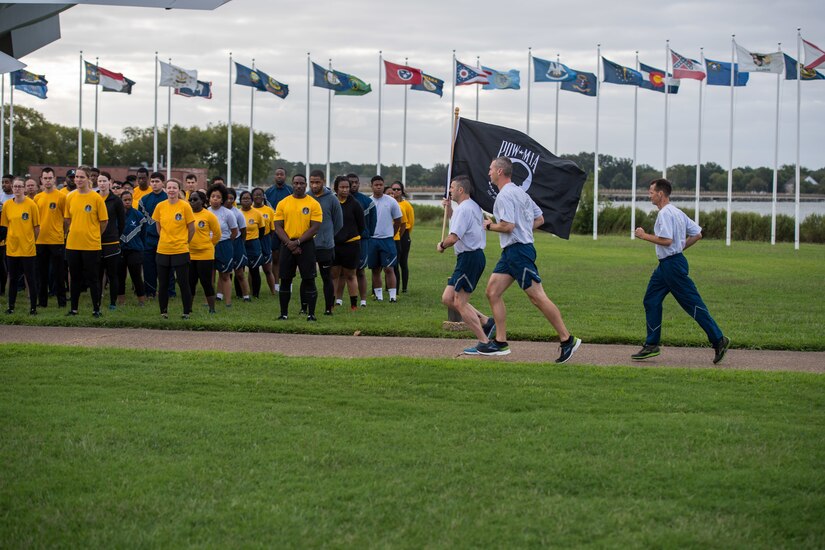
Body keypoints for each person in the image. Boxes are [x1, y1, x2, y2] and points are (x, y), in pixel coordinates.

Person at [481, 156, 581, 362]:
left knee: (537, 297)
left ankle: (567, 339)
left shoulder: (504, 196)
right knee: (492, 292)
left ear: (500, 171)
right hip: (511, 252)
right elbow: (540, 218)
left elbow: (508, 226)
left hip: (519, 252)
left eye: (491, 168)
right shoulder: (521, 193)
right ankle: (500, 342)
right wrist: (524, 228)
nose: (488, 172)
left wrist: (489, 225)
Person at [632, 178, 730, 364]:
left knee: (692, 303)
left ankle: (719, 339)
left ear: (660, 194)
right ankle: (651, 344)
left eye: (651, 192)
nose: (649, 195)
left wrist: (644, 236)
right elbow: (698, 234)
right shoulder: (677, 212)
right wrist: (678, 249)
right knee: (651, 300)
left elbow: (667, 240)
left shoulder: (664, 214)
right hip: (667, 265)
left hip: (672, 266)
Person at [437, 175, 496, 353]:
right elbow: (458, 223)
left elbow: (454, 237)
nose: (450, 191)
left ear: (461, 190)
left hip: (470, 257)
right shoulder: (469, 207)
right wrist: (448, 210)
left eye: (452, 188)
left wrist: (442, 245)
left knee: (460, 303)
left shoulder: (466, 209)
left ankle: (484, 343)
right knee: (448, 298)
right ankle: (486, 322)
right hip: (467, 258)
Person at [273, 173, 322, 321]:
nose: (299, 186)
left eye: (301, 183)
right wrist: (290, 243)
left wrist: (298, 242)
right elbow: (277, 226)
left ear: (306, 185)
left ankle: (311, 314)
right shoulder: (283, 203)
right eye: (296, 183)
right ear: (292, 184)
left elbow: (315, 227)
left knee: (309, 279)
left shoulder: (313, 204)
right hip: (287, 244)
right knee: (285, 280)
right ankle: (283, 314)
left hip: (305, 245)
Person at [64, 166, 108, 317]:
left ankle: (96, 309)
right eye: (77, 177)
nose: (78, 180)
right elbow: (67, 219)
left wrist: (93, 234)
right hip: (73, 244)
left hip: (91, 245)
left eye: (82, 177)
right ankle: (74, 309)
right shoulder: (70, 196)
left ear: (89, 179)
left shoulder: (96, 198)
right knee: (75, 278)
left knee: (92, 278)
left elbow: (103, 222)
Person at [152, 178, 195, 319]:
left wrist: (183, 242)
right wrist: (166, 239)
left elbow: (191, 229)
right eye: (169, 187)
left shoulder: (185, 206)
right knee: (163, 284)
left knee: (183, 283)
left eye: (174, 188)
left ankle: (186, 312)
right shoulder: (160, 206)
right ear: (165, 189)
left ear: (179, 190)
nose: (171, 190)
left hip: (180, 250)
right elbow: (158, 227)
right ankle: (163, 312)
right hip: (163, 250)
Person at [1, 177, 40, 314]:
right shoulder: (7, 205)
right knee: (12, 279)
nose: (17, 189)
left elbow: (36, 228)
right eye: (15, 186)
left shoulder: (31, 205)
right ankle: (10, 307)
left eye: (20, 186)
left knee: (30, 278)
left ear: (24, 188)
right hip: (12, 248)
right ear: (12, 188)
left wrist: (30, 241)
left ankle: (33, 308)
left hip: (28, 248)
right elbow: (5, 226)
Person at [309, 170, 343, 315]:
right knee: (307, 277)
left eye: (317, 182)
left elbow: (339, 223)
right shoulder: (306, 197)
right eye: (312, 182)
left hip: (325, 246)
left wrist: (327, 236)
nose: (314, 185)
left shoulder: (332, 199)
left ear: (323, 181)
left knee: (326, 277)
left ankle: (329, 308)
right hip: (308, 245)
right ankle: (305, 308)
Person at [33, 167, 67, 308]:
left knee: (59, 273)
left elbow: (66, 220)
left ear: (54, 179)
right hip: (40, 240)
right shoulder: (37, 198)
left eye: (50, 178)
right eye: (45, 178)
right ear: (41, 179)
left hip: (56, 240)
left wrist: (62, 233)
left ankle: (62, 302)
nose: (47, 180)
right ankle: (42, 302)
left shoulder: (61, 197)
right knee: (42, 274)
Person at [367, 175, 402, 302]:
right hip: (372, 239)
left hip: (387, 239)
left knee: (389, 268)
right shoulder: (368, 202)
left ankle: (392, 296)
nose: (378, 187)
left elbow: (398, 220)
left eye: (381, 185)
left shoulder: (391, 201)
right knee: (375, 269)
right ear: (371, 186)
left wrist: (392, 233)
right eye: (376, 185)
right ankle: (379, 296)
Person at [332, 175, 365, 311]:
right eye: (342, 187)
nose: (345, 190)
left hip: (351, 244)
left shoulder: (355, 204)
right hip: (334, 244)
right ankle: (331, 303)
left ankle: (353, 305)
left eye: (347, 187)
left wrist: (350, 234)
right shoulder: (332, 202)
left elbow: (361, 225)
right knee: (333, 275)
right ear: (336, 188)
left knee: (350, 275)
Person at [188, 190, 221, 314]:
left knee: (206, 282)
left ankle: (212, 309)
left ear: (203, 201)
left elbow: (217, 234)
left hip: (205, 254)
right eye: (190, 200)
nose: (192, 202)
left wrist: (208, 244)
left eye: (195, 200)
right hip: (190, 253)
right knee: (190, 282)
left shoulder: (208, 215)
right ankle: (188, 309)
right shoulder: (187, 214)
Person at [207, 183, 239, 307]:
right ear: (209, 198)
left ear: (222, 199)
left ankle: (228, 302)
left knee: (225, 275)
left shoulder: (228, 213)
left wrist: (226, 241)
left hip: (224, 245)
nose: (215, 199)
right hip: (208, 246)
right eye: (213, 196)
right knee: (209, 275)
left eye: (218, 197)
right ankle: (208, 301)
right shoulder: (206, 212)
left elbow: (234, 231)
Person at [97, 171, 126, 310]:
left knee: (112, 274)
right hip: (95, 241)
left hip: (111, 242)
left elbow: (122, 223)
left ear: (110, 182)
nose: (102, 183)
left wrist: (115, 236)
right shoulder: (94, 198)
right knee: (97, 274)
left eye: (104, 181)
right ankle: (97, 301)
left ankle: (113, 302)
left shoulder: (116, 201)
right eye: (99, 181)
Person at [139, 172, 169, 299]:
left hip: (165, 238)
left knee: (165, 267)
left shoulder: (168, 197)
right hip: (148, 238)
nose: (154, 184)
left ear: (163, 182)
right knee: (148, 266)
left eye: (157, 181)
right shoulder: (144, 200)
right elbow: (141, 220)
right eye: (152, 181)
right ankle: (150, 291)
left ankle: (168, 292)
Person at [348, 173, 374, 308]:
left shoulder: (367, 201)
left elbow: (372, 222)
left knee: (360, 270)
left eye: (355, 182)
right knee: (342, 271)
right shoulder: (338, 200)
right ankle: (339, 300)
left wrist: (367, 234)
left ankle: (363, 300)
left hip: (361, 240)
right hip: (344, 241)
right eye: (350, 182)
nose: (353, 185)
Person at [264, 167, 292, 293]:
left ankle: (288, 283)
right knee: (275, 258)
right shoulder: (268, 192)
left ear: (285, 176)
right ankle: (276, 285)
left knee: (288, 258)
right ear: (274, 176)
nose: (279, 176)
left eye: (282, 174)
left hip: (288, 229)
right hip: (274, 230)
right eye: (277, 174)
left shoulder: (290, 190)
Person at [117, 190, 147, 306]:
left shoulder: (138, 215)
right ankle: (121, 300)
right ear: (121, 201)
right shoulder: (117, 215)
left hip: (135, 249)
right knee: (120, 276)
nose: (127, 202)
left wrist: (140, 247)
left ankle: (141, 300)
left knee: (136, 275)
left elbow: (143, 234)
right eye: (125, 200)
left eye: (129, 200)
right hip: (120, 249)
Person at [226, 188, 251, 302]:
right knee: (224, 272)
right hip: (223, 243)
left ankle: (246, 296)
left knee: (240, 272)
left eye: (232, 198)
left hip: (236, 243)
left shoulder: (237, 213)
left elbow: (243, 230)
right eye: (227, 198)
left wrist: (241, 243)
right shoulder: (218, 211)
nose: (229, 200)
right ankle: (221, 295)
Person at [238, 190, 265, 298]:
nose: (246, 200)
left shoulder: (257, 214)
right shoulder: (237, 213)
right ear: (240, 201)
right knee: (240, 270)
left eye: (248, 198)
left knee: (254, 270)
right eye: (243, 198)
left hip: (253, 244)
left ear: (251, 200)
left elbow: (262, 230)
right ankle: (240, 294)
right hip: (241, 243)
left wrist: (255, 239)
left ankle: (256, 294)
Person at [252, 187, 277, 297]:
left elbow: (273, 230)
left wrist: (269, 241)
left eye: (260, 195)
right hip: (253, 240)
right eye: (256, 195)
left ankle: (272, 291)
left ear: (263, 197)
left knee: (267, 269)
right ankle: (253, 291)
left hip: (265, 240)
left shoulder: (269, 211)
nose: (258, 197)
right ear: (252, 196)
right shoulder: (249, 210)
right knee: (253, 267)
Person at [391, 181, 414, 293]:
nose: (396, 191)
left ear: (402, 191)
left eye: (398, 189)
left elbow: (411, 221)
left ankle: (404, 287)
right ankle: (392, 287)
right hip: (392, 235)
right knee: (392, 263)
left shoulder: (406, 205)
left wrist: (404, 233)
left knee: (403, 262)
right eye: (394, 189)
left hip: (403, 235)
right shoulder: (390, 202)